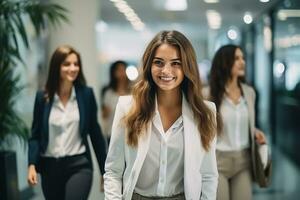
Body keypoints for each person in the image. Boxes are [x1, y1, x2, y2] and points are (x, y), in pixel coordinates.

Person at [104, 30, 218, 200]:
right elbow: (113, 170)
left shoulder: (205, 113)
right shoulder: (127, 108)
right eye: (159, 62)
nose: (166, 70)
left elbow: (208, 174)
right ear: (149, 66)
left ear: (187, 66)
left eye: (176, 63)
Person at [27, 45, 107, 200]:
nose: (73, 68)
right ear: (57, 67)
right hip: (49, 167)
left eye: (76, 64)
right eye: (67, 64)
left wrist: (105, 171)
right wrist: (31, 164)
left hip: (79, 165)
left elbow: (95, 134)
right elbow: (35, 134)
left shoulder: (86, 95)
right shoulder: (42, 98)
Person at [207, 44, 266, 200]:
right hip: (218, 161)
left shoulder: (249, 92)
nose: (242, 62)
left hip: (243, 161)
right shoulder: (209, 94)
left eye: (243, 58)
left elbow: (248, 121)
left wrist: (255, 131)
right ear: (224, 62)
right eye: (236, 58)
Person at [100, 60, 131, 145]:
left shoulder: (133, 91)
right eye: (119, 70)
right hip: (112, 133)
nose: (122, 73)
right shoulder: (108, 93)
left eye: (124, 69)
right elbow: (104, 115)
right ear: (113, 73)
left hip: (130, 134)